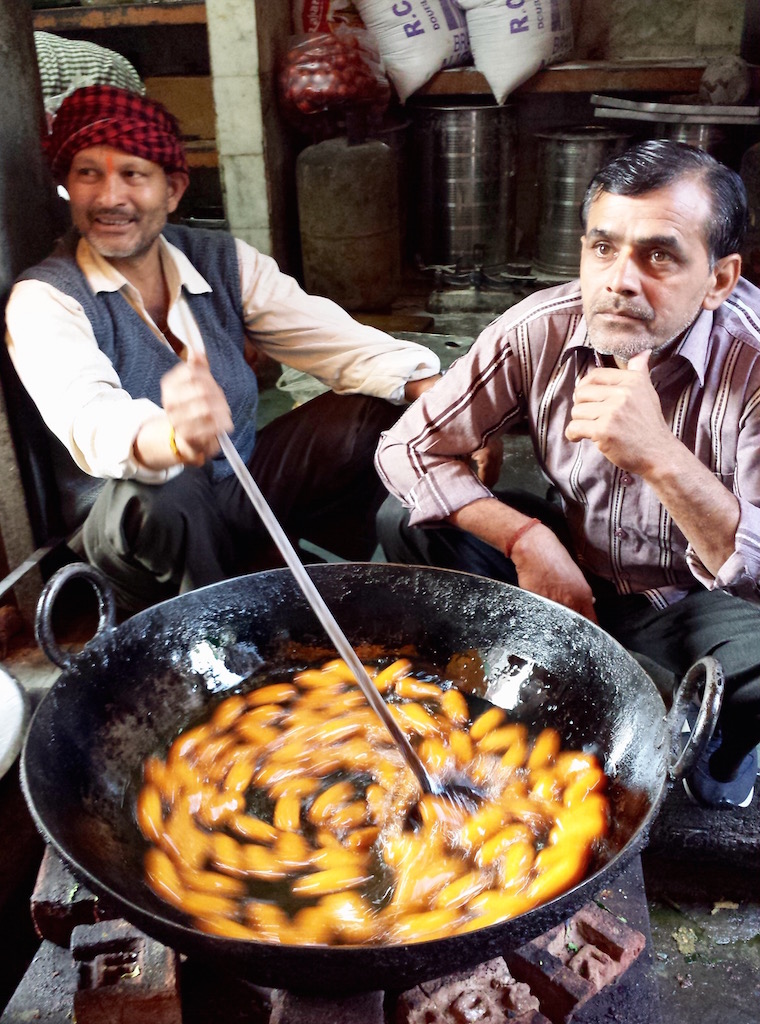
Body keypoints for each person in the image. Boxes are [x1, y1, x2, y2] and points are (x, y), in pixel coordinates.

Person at [375, 139, 760, 811]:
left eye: (660, 255)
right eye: (602, 248)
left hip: (696, 598)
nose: (619, 280)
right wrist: (528, 540)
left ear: (720, 280)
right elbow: (407, 449)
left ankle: (716, 739)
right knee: (404, 522)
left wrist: (660, 456)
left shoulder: (751, 364)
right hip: (570, 571)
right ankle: (560, 663)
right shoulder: (541, 329)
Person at [5, 84, 441, 615]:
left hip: (235, 495)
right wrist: (168, 436)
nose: (109, 197)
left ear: (173, 189)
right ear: (68, 187)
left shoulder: (221, 261)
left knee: (376, 410)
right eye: (87, 173)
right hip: (131, 541)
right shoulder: (45, 298)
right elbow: (90, 417)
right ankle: (221, 638)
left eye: (133, 174)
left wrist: (440, 401)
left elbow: (339, 344)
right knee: (162, 486)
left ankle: (301, 579)